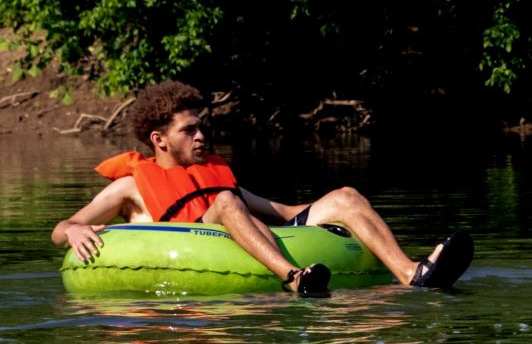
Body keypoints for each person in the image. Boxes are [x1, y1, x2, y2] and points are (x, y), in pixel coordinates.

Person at [50, 81, 474, 294]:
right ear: (159, 140)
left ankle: (411, 274)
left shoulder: (217, 178)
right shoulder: (129, 187)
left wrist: (335, 210)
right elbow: (63, 228)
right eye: (190, 130)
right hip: (183, 246)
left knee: (344, 196)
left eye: (203, 128)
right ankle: (293, 278)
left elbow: (285, 212)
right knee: (225, 200)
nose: (202, 137)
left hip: (230, 219)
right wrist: (72, 230)